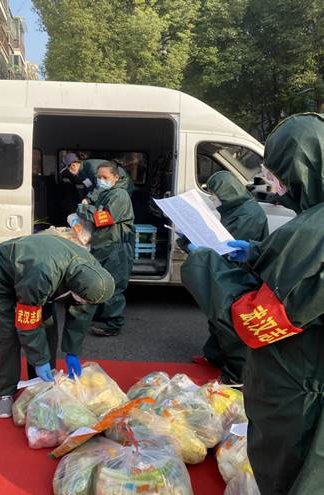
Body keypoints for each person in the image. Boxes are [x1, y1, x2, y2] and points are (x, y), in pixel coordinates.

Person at [181, 113, 324, 494]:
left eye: (280, 176)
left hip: (302, 395)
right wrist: (256, 253)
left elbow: (255, 321)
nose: (276, 188)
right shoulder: (313, 222)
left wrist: (204, 263)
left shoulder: (315, 231)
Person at [0, 234, 114, 418]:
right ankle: (5, 391)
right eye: (84, 299)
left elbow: (81, 313)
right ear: (75, 287)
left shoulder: (93, 277)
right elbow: (28, 322)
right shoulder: (43, 274)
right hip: (0, 273)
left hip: (39, 276)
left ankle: (40, 385)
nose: (85, 303)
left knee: (48, 326)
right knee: (7, 334)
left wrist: (72, 350)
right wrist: (40, 360)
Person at [191, 170, 269, 379]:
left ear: (227, 191)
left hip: (239, 272)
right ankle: (214, 356)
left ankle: (234, 373)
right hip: (230, 267)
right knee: (217, 314)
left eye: (215, 194)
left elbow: (229, 247)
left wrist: (204, 249)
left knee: (228, 319)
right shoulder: (235, 208)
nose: (213, 198)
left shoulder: (248, 214)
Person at [77, 161, 135, 336]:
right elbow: (95, 203)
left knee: (114, 286)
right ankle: (102, 317)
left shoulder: (120, 195)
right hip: (105, 245)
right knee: (102, 282)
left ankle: (113, 324)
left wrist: (83, 209)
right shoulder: (106, 193)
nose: (101, 180)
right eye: (98, 177)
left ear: (116, 177)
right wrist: (88, 201)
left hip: (116, 246)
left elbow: (104, 218)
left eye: (105, 177)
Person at [61, 153, 135, 199]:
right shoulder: (81, 174)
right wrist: (87, 198)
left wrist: (89, 200)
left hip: (123, 184)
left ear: (73, 165)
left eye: (68, 170)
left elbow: (101, 186)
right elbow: (90, 187)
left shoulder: (91, 166)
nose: (69, 173)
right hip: (110, 188)